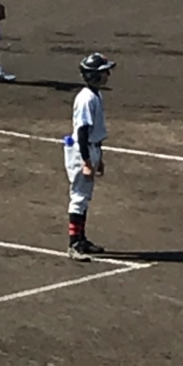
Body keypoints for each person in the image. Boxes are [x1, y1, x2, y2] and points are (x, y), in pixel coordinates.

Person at [64, 52, 116, 261]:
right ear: (93, 75)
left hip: (91, 149)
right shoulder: (86, 99)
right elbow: (83, 132)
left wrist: (99, 157)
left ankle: (81, 239)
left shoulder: (96, 95)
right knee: (79, 197)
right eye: (104, 72)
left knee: (84, 197)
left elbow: (94, 131)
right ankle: (74, 244)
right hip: (81, 151)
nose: (107, 75)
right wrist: (86, 161)